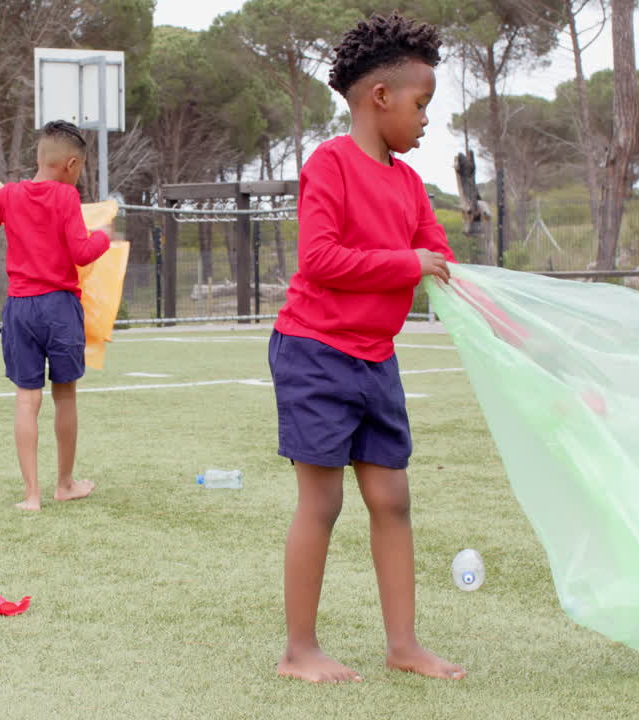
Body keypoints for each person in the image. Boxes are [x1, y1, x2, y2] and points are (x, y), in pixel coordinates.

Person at [267, 12, 464, 683]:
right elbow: (321, 259)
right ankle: (299, 650)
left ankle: (403, 645)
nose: (427, 120)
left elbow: (435, 253)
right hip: (313, 352)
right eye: (422, 104)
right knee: (322, 503)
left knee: (392, 500)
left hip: (376, 358)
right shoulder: (329, 164)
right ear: (381, 98)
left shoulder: (409, 184)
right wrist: (410, 263)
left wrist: (447, 269)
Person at [0, 120, 111, 511]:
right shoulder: (65, 198)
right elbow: (81, 253)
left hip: (20, 308)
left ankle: (31, 495)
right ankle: (65, 483)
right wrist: (106, 235)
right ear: (71, 164)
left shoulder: (9, 195)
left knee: (26, 400)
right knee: (66, 395)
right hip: (59, 307)